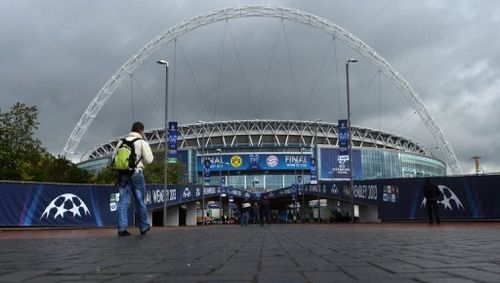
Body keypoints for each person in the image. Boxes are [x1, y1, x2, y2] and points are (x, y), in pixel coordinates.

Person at [115, 122, 154, 236]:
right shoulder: (141, 142)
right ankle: (143, 226)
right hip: (136, 173)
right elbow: (149, 160)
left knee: (122, 201)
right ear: (141, 131)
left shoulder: (121, 142)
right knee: (140, 200)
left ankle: (122, 229)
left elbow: (114, 158)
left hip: (122, 175)